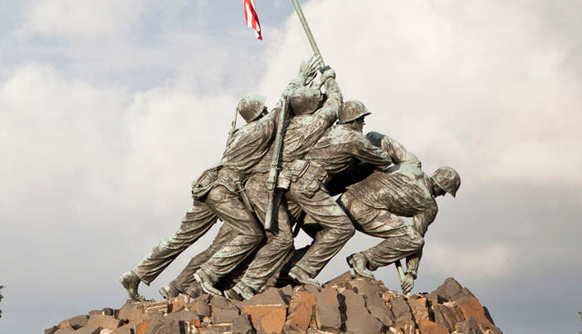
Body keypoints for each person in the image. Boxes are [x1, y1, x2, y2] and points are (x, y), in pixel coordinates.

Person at [120, 93, 276, 300]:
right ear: (258, 113)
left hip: (208, 185)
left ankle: (136, 274)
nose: (267, 110)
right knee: (252, 234)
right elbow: (282, 110)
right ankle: (207, 274)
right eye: (263, 109)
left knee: (180, 238)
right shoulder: (260, 128)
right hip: (224, 190)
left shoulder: (239, 133)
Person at [230, 65, 344, 297]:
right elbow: (336, 102)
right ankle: (245, 285)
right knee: (282, 239)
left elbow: (286, 98)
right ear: (313, 107)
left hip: (267, 183)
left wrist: (301, 80)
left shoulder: (283, 121)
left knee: (277, 238)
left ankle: (248, 282)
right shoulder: (315, 123)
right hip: (265, 185)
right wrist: (330, 80)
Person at [280, 99, 395, 286]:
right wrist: (383, 147)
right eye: (361, 120)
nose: (363, 124)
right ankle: (302, 269)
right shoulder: (353, 138)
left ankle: (285, 268)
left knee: (315, 231)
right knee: (343, 228)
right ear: (353, 120)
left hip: (292, 180)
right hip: (310, 185)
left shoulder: (331, 131)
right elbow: (383, 160)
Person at [339, 131, 460, 294]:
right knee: (413, 240)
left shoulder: (411, 163)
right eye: (444, 191)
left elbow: (378, 138)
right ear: (440, 187)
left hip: (345, 199)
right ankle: (363, 258)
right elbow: (416, 240)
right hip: (364, 211)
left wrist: (364, 156)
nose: (443, 195)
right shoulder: (429, 205)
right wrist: (411, 273)